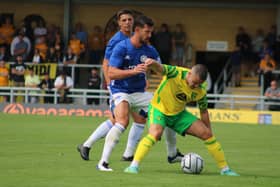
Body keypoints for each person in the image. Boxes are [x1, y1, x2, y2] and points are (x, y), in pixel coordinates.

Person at [77, 10, 182, 166]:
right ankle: (91, 147)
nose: (127, 22)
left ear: (134, 23)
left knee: (136, 119)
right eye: (124, 20)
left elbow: (147, 63)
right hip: (118, 86)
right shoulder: (116, 41)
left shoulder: (142, 41)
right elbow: (107, 64)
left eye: (130, 19)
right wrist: (109, 84)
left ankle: (126, 154)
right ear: (119, 23)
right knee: (119, 120)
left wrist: (145, 77)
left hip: (135, 87)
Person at [124, 62, 239, 176]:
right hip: (159, 108)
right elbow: (161, 68)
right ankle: (133, 166)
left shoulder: (201, 91)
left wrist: (208, 131)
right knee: (155, 133)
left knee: (206, 134)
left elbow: (203, 111)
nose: (195, 86)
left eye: (199, 84)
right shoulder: (176, 73)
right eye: (194, 82)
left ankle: (225, 169)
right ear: (189, 74)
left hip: (179, 114)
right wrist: (153, 63)